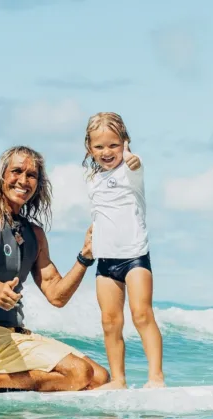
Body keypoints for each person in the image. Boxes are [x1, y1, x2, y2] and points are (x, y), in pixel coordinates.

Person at [0, 145, 110, 395]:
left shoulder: (34, 234)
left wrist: (85, 257)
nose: (23, 180)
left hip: (15, 336)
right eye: (16, 171)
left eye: (31, 175)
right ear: (2, 176)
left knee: (100, 377)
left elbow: (57, 295)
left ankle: (3, 379)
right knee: (79, 373)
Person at [82, 112, 165, 390]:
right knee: (109, 322)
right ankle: (118, 379)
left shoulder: (131, 169)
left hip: (134, 257)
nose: (107, 152)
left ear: (125, 143)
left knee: (141, 314)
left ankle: (156, 377)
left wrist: (133, 159)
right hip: (105, 261)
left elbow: (136, 163)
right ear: (89, 148)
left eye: (114, 145)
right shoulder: (91, 177)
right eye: (100, 146)